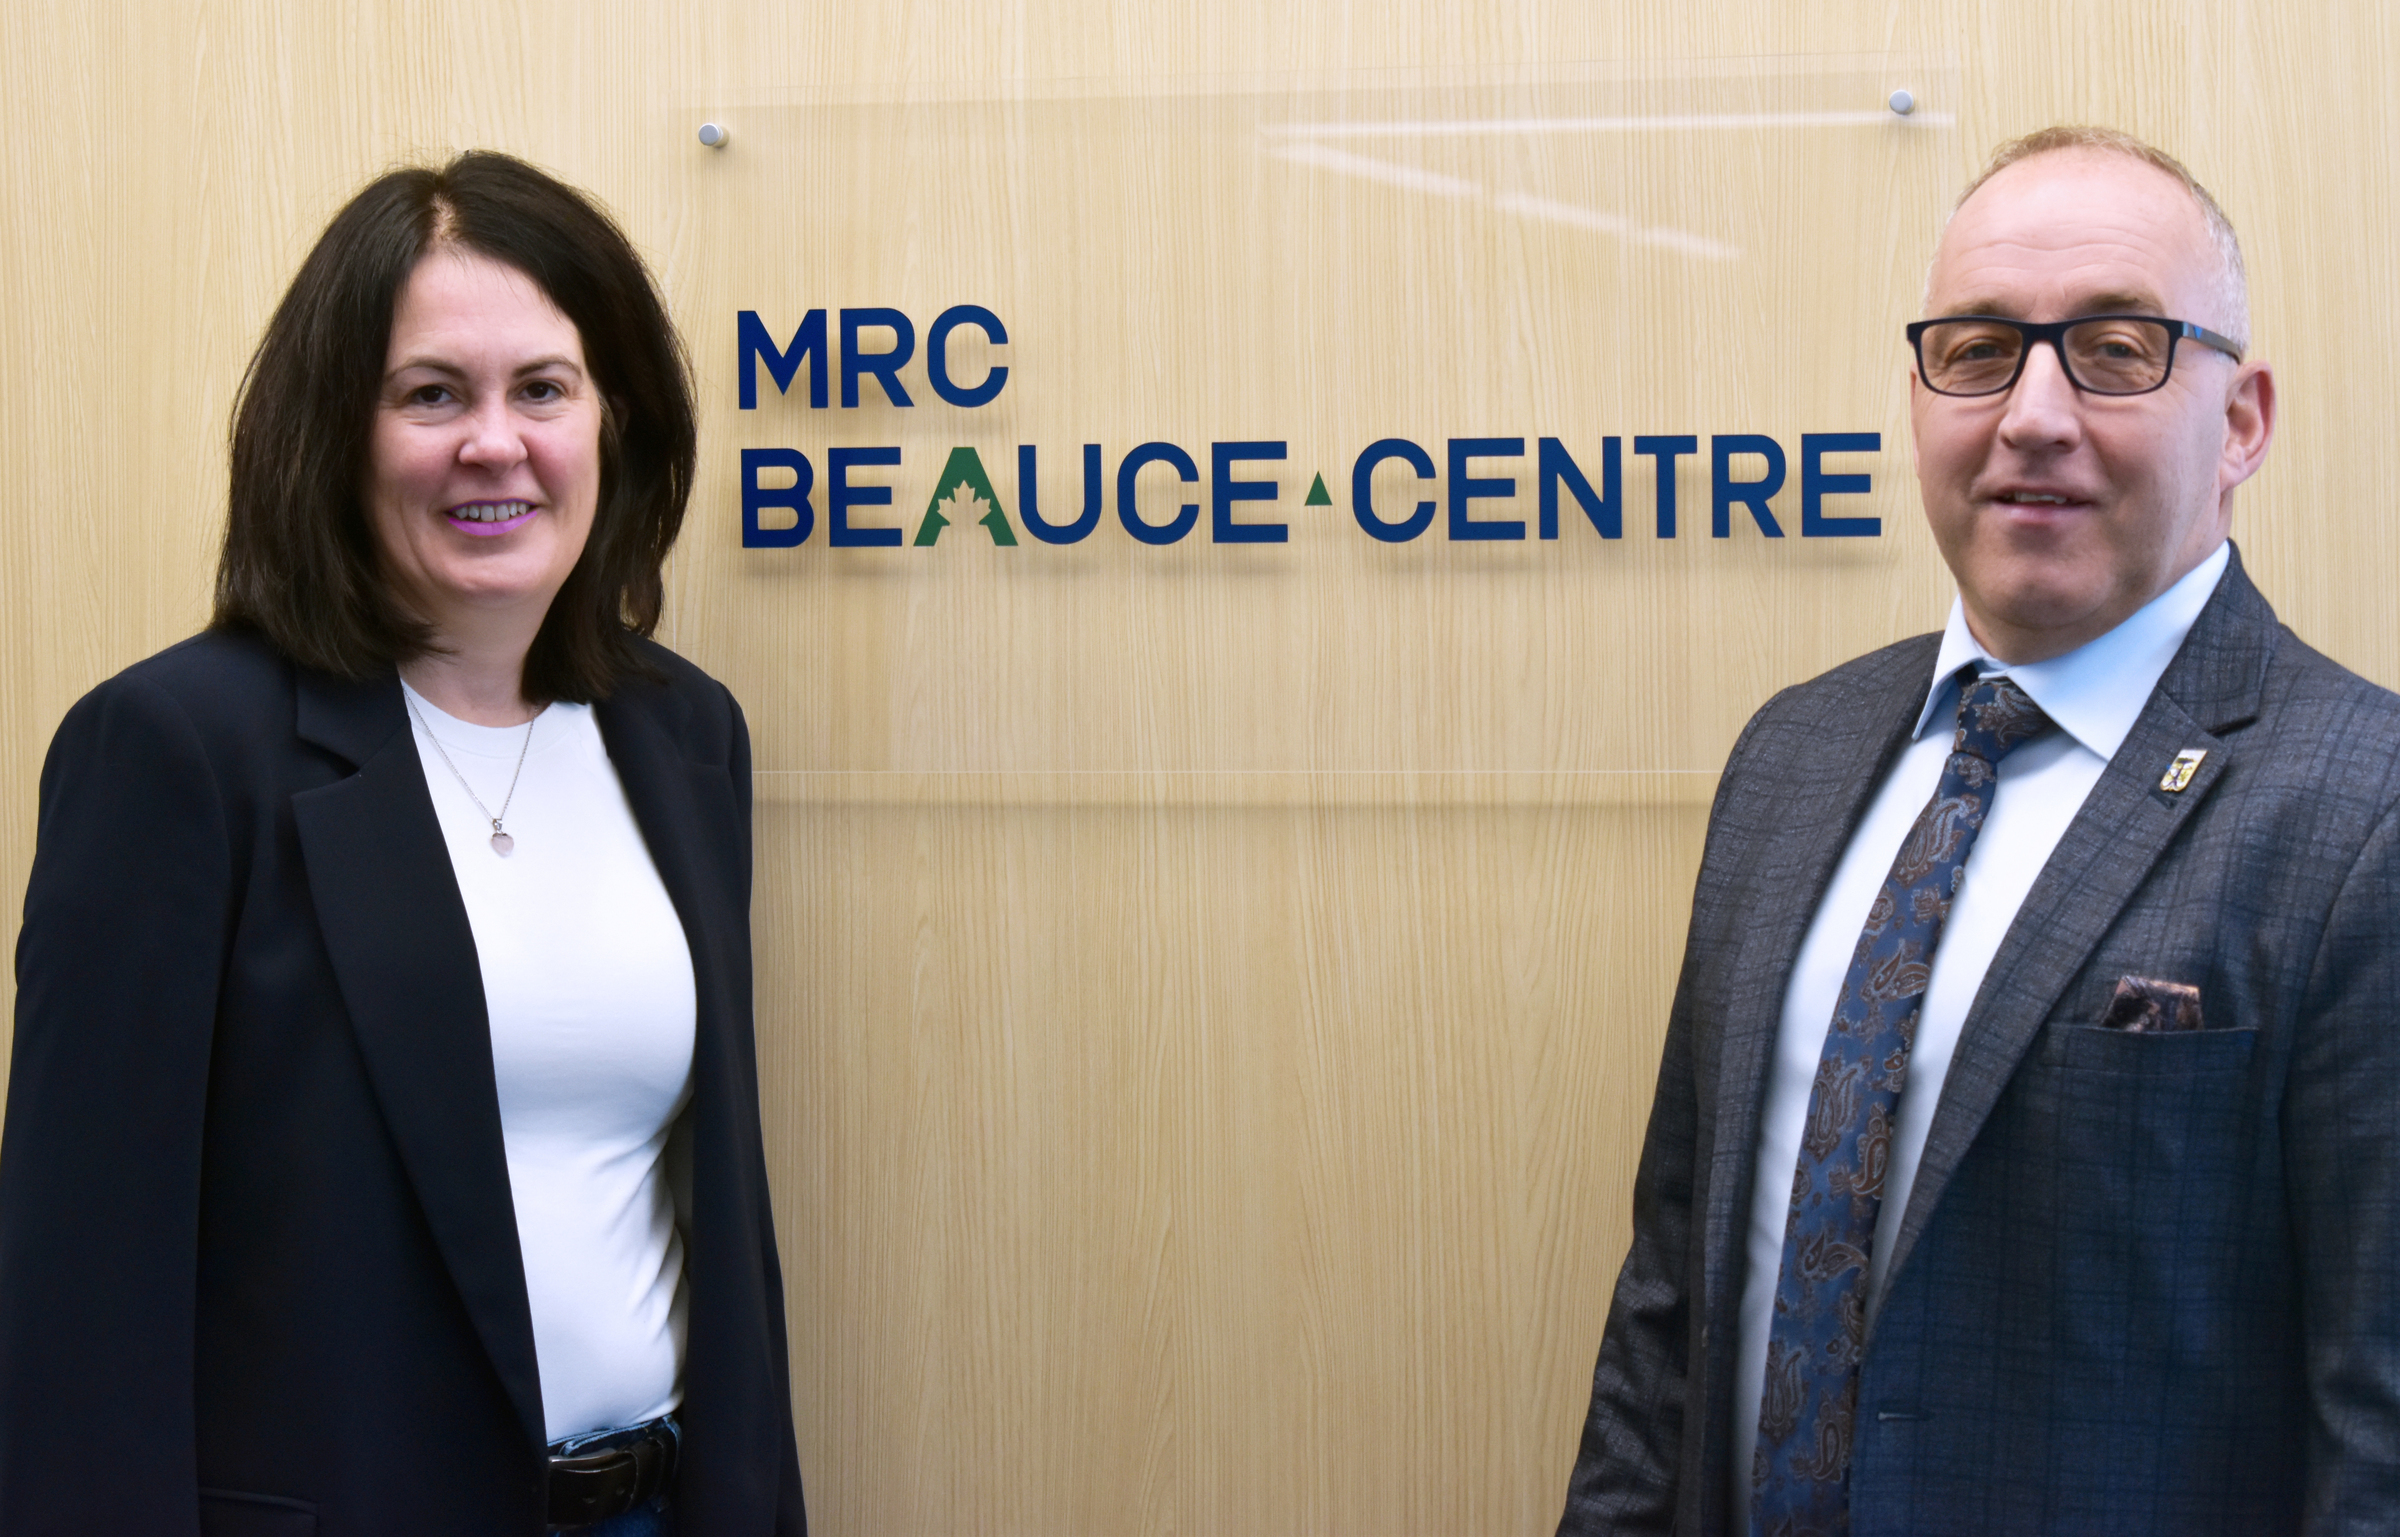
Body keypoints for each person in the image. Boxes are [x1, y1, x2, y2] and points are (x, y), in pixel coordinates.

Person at [1558, 125, 2400, 1534]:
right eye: (1980, 350)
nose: (2034, 414)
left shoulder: (2365, 810)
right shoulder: (1795, 753)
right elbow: (1670, 1299)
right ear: (1920, 396)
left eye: (2117, 350)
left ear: (2243, 420)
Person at [0, 152, 806, 1536]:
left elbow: (712, 1219)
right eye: (433, 394)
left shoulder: (683, 738)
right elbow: (80, 1298)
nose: (495, 443)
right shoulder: (179, 752)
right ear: (338, 432)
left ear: (613, 421)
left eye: (542, 388)